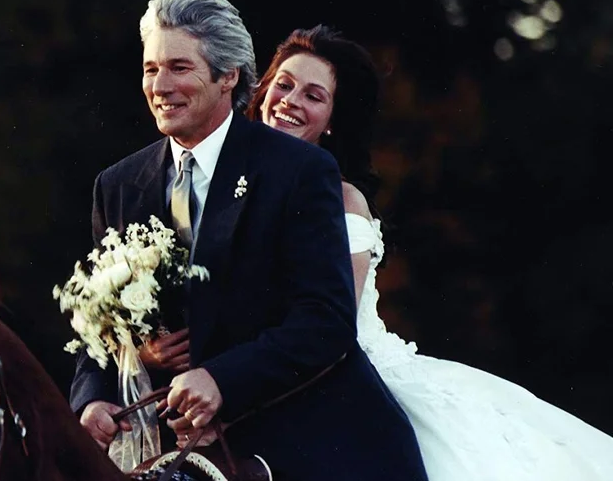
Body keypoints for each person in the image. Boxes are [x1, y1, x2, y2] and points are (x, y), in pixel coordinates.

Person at [69, 0, 429, 481]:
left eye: (179, 67)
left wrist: (222, 379)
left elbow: (326, 320)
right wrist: (93, 398)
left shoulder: (299, 170)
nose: (160, 86)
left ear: (229, 76)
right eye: (151, 69)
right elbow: (98, 325)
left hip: (295, 434)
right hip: (167, 444)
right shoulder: (117, 184)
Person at [245, 24, 613, 480]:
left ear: (334, 119)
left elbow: (331, 321)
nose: (290, 101)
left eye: (313, 95)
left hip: (340, 381)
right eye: (284, 85)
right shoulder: (235, 183)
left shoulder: (342, 199)